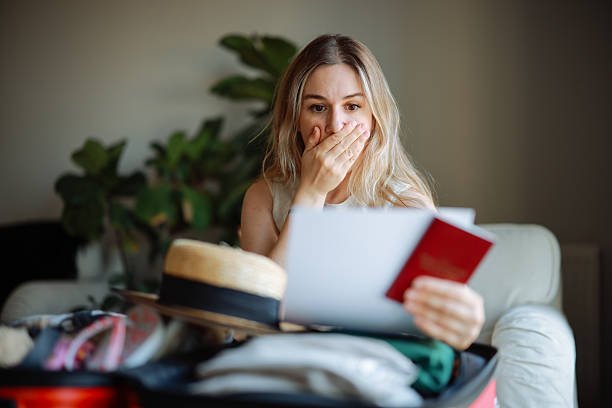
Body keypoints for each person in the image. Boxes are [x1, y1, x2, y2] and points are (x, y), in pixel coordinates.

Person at [240, 34, 484, 350]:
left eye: (352, 106)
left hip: (378, 360)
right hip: (290, 358)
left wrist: (463, 322)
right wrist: (310, 194)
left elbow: (442, 323)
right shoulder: (263, 198)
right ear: (295, 118)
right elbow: (257, 316)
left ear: (374, 117)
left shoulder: (405, 202)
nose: (336, 125)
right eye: (317, 107)